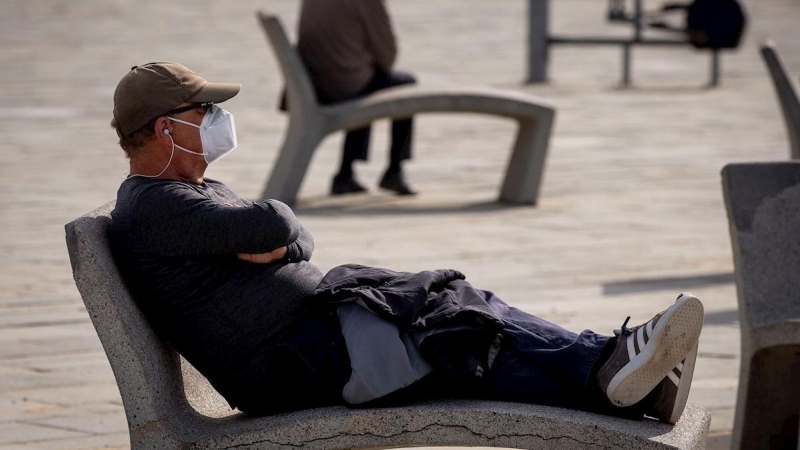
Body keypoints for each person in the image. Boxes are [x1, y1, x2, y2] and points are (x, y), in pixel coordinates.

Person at [108, 62, 704, 424]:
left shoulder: (192, 190)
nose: (217, 118)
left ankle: (615, 369)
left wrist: (282, 242)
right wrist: (279, 237)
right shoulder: (156, 206)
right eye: (205, 109)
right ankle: (611, 369)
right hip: (291, 362)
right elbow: (273, 223)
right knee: (456, 334)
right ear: (167, 127)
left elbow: (295, 237)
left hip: (315, 333)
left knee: (457, 301)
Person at [295, 0, 418, 196]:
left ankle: (346, 173)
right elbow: (387, 56)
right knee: (404, 83)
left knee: (367, 82)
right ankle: (394, 170)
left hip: (317, 84)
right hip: (346, 86)